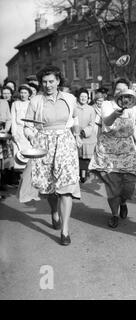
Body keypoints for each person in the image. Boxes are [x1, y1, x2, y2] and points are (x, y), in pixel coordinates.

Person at [18, 66, 82, 246]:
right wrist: (32, 136)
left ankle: (65, 230)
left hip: (65, 144)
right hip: (44, 144)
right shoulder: (36, 101)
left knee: (66, 186)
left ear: (58, 81)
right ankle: (54, 211)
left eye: (51, 81)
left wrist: (77, 135)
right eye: (44, 82)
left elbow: (75, 119)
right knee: (50, 186)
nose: (48, 85)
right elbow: (27, 125)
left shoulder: (69, 98)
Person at [89, 85, 136, 228]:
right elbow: (107, 122)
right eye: (118, 89)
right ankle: (114, 214)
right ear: (114, 92)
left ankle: (123, 202)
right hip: (108, 149)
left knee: (129, 183)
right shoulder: (107, 104)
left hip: (127, 148)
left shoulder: (132, 106)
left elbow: (133, 127)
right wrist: (116, 114)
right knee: (113, 185)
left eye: (125, 90)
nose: (122, 93)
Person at [75, 88, 96, 183]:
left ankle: (84, 174)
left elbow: (92, 124)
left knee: (85, 158)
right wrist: (75, 133)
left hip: (87, 137)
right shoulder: (74, 108)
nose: (83, 98)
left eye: (85, 97)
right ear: (78, 97)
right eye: (81, 96)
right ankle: (77, 173)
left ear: (88, 98)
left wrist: (84, 132)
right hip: (75, 135)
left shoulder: (91, 109)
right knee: (77, 157)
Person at [10, 85, 32, 175]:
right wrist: (14, 133)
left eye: (25, 93)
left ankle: (29, 176)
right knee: (19, 154)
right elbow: (13, 119)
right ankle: (20, 178)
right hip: (18, 130)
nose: (23, 95)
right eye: (21, 93)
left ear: (29, 94)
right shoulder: (15, 104)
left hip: (29, 130)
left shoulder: (31, 103)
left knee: (29, 153)